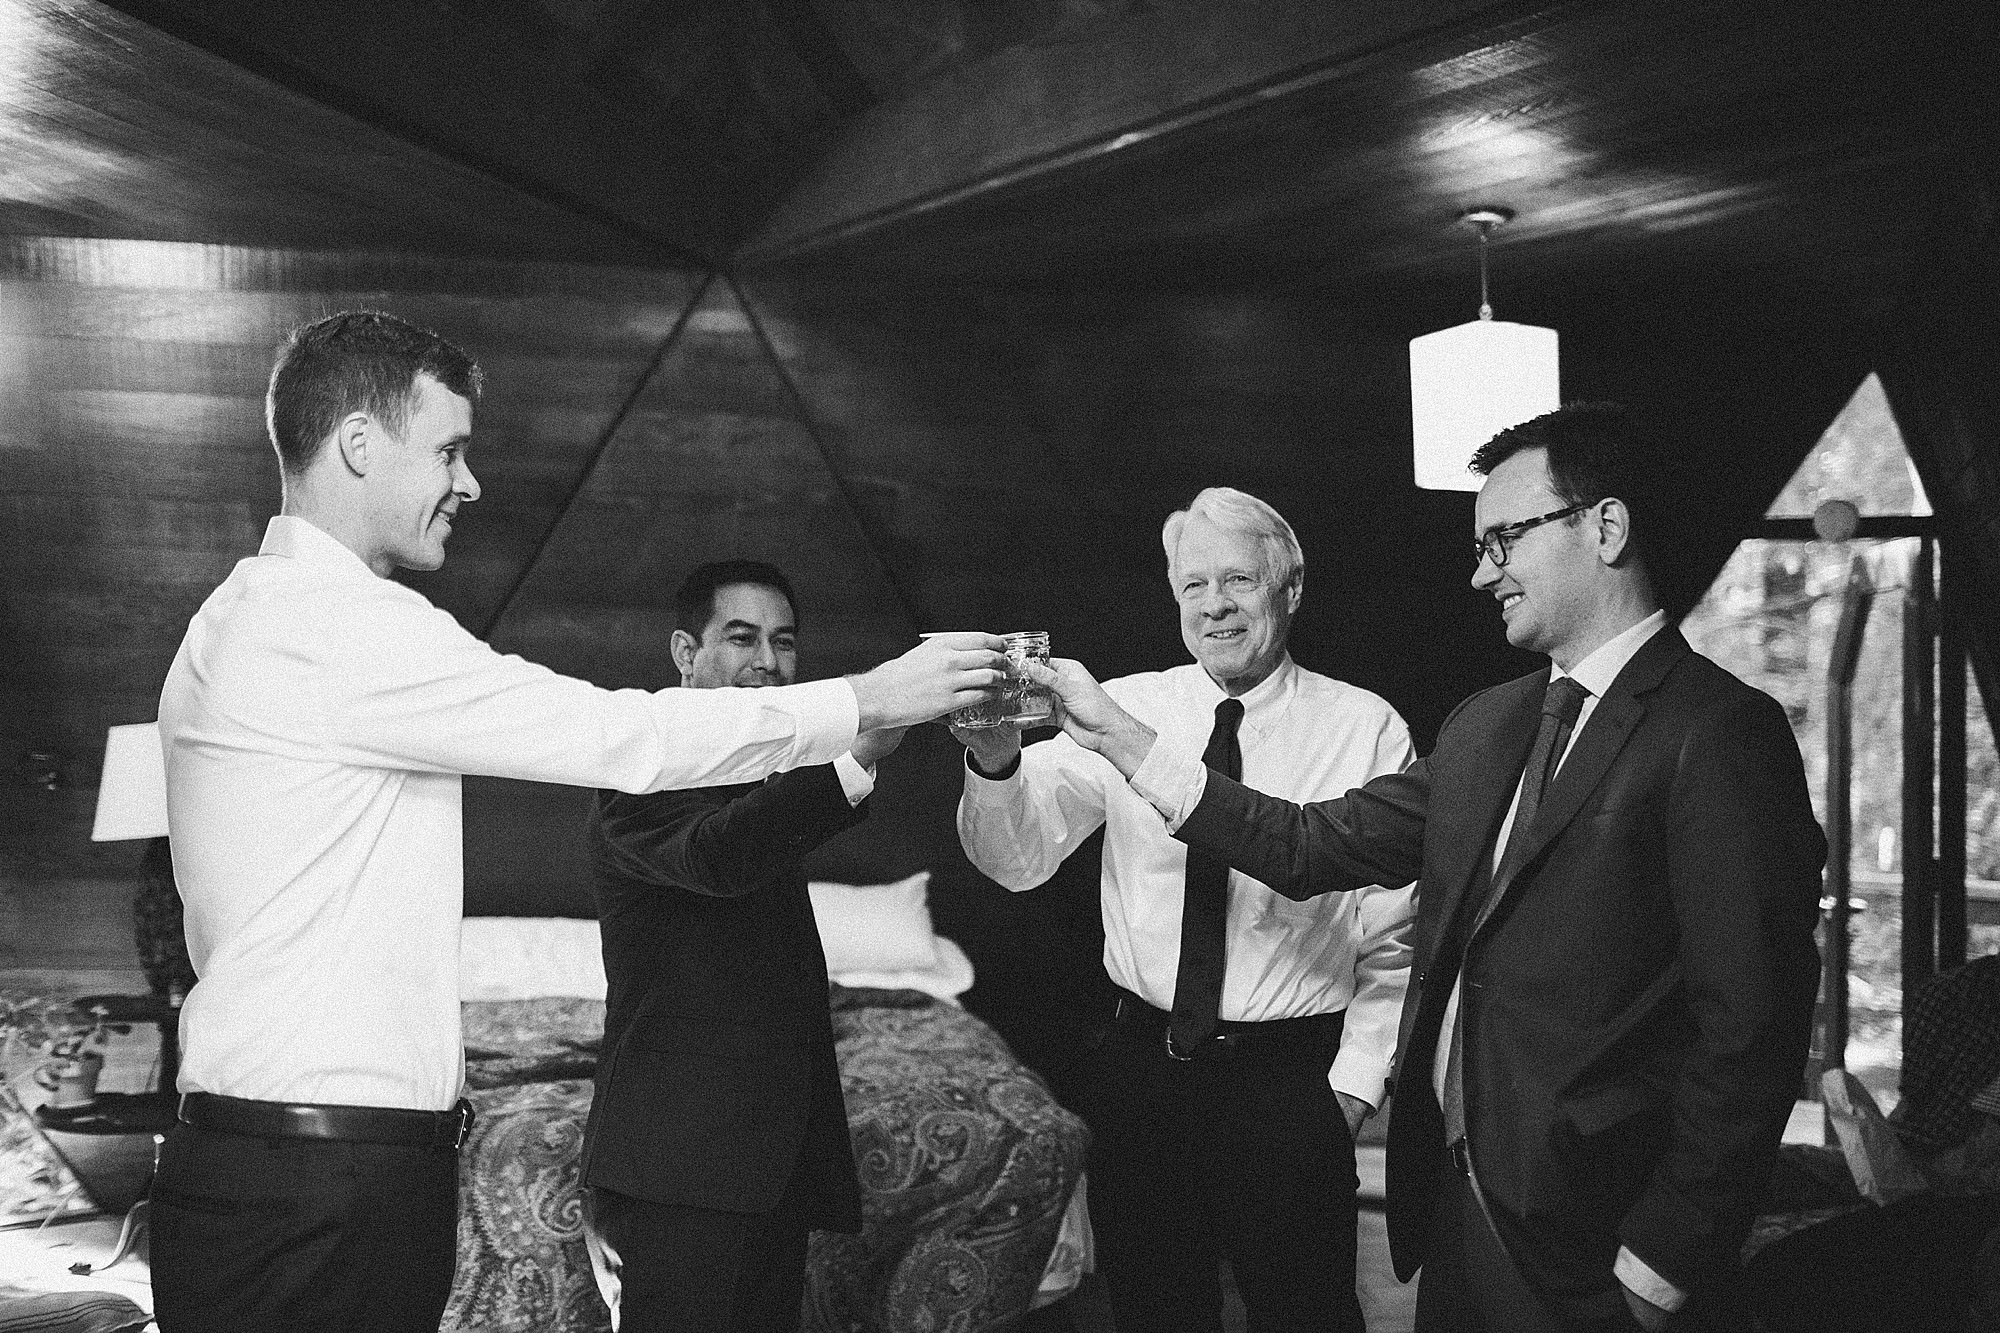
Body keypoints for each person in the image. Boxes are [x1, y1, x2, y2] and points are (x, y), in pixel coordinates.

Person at [150, 310, 1005, 1333]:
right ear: (360, 444)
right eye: (449, 450)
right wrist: (867, 699)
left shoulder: (241, 614)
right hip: (315, 1183)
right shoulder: (334, 625)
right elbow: (617, 734)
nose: (470, 483)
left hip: (287, 1166)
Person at [1033, 404, 1827, 1332]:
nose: (1482, 572)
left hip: (1600, 1223)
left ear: (1605, 528)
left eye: (1504, 539)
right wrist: (1125, 739)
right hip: (1455, 1199)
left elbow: (1755, 1022)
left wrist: (1670, 1251)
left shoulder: (1720, 731)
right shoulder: (1488, 724)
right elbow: (1307, 844)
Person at [955, 487, 1416, 1332]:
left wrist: (1348, 1093)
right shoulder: (1121, 705)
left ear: (1291, 588)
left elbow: (1395, 942)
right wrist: (995, 764)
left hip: (1289, 1087)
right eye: (1194, 585)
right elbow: (1017, 859)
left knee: (1308, 1316)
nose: (1215, 605)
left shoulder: (1366, 727)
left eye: (1238, 579)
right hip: (1143, 1077)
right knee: (1154, 1313)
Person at [580, 560, 892, 1332]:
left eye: (784, 642)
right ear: (685, 652)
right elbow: (719, 854)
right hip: (677, 1168)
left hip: (772, 1164)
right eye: (743, 638)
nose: (769, 662)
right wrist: (857, 755)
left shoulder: (768, 775)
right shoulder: (644, 766)